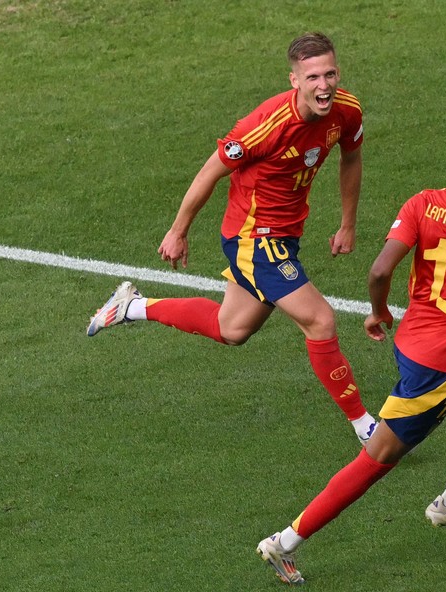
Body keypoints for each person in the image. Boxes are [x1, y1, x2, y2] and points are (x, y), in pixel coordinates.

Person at [256, 119, 446, 584]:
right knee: (378, 458)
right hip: (440, 367)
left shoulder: (424, 203)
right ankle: (283, 542)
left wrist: (377, 313)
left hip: (422, 340)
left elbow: (378, 271)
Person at [85, 32, 376, 444]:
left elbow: (351, 157)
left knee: (232, 329)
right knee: (320, 319)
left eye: (329, 74)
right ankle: (366, 425)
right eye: (312, 77)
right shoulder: (263, 127)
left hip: (287, 234)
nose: (323, 85)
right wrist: (178, 230)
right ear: (294, 80)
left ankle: (130, 307)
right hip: (253, 238)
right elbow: (210, 171)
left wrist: (348, 223)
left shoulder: (346, 111)